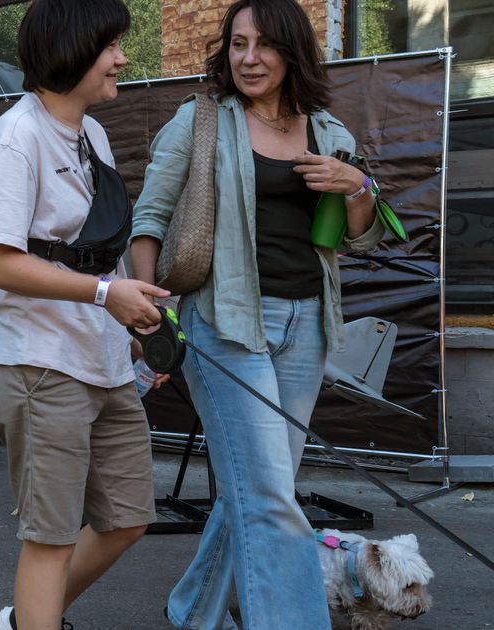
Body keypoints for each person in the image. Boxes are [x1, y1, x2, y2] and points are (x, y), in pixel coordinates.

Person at [130, 0, 384, 627]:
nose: (248, 58)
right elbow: (150, 220)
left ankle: (192, 610)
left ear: (292, 50)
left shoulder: (329, 133)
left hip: (307, 326)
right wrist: (149, 315)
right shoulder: (200, 121)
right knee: (271, 495)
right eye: (238, 44)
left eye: (263, 45)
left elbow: (356, 239)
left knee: (254, 485)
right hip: (223, 324)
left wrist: (356, 187)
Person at [0, 1, 169, 628]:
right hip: (39, 363)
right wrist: (108, 297)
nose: (122, 58)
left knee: (127, 520)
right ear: (73, 50)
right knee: (51, 538)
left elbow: (99, 250)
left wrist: (133, 320)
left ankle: (27, 620)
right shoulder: (16, 138)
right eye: (110, 45)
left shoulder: (92, 133)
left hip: (103, 361)